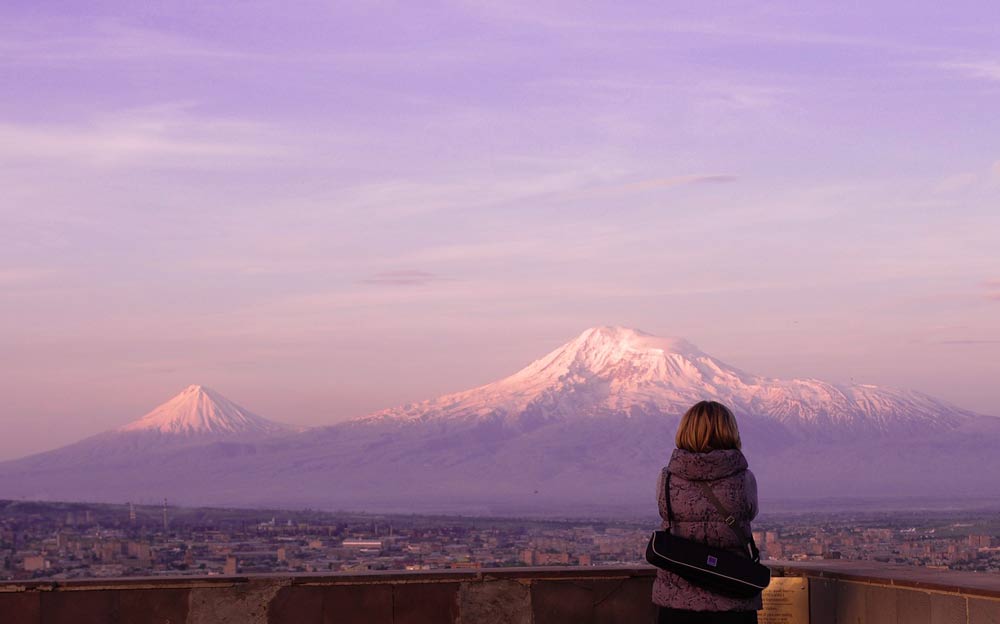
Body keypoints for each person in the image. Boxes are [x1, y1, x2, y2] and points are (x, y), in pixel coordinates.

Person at [652, 400, 761, 623]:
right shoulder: (744, 479)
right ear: (730, 431)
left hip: (678, 603)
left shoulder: (666, 479)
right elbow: (751, 512)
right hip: (733, 598)